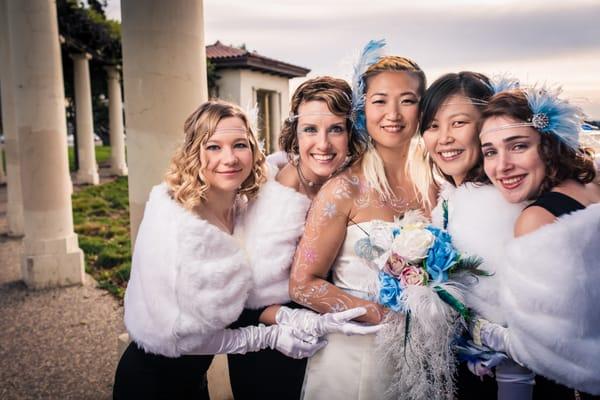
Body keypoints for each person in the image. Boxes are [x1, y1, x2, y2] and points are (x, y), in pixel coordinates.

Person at [112, 100, 375, 399]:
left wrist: (292, 317)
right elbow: (177, 340)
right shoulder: (177, 225)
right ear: (193, 152)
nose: (229, 158)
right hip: (150, 382)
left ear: (253, 149)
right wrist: (267, 336)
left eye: (239, 145)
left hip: (194, 378)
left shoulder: (238, 203)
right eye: (213, 147)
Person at [289, 40, 436, 400]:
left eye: (407, 100)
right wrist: (381, 316)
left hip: (423, 357)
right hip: (355, 357)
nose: (393, 114)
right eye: (380, 100)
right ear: (362, 109)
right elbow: (302, 284)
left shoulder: (438, 183)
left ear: (422, 108)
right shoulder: (343, 189)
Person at [227, 76, 367, 399]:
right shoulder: (270, 198)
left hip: (331, 347)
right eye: (310, 130)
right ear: (294, 133)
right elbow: (240, 300)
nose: (323, 144)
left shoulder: (346, 185)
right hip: (273, 351)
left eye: (335, 129)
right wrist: (289, 320)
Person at [475, 87, 600, 398]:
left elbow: (553, 349)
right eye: (490, 152)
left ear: (549, 146)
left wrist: (482, 332)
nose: (501, 166)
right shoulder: (592, 184)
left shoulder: (537, 220)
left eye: (517, 146)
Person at [421, 72, 535, 400]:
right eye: (432, 126)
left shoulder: (499, 201)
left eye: (458, 123)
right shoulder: (452, 195)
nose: (444, 138)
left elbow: (512, 314)